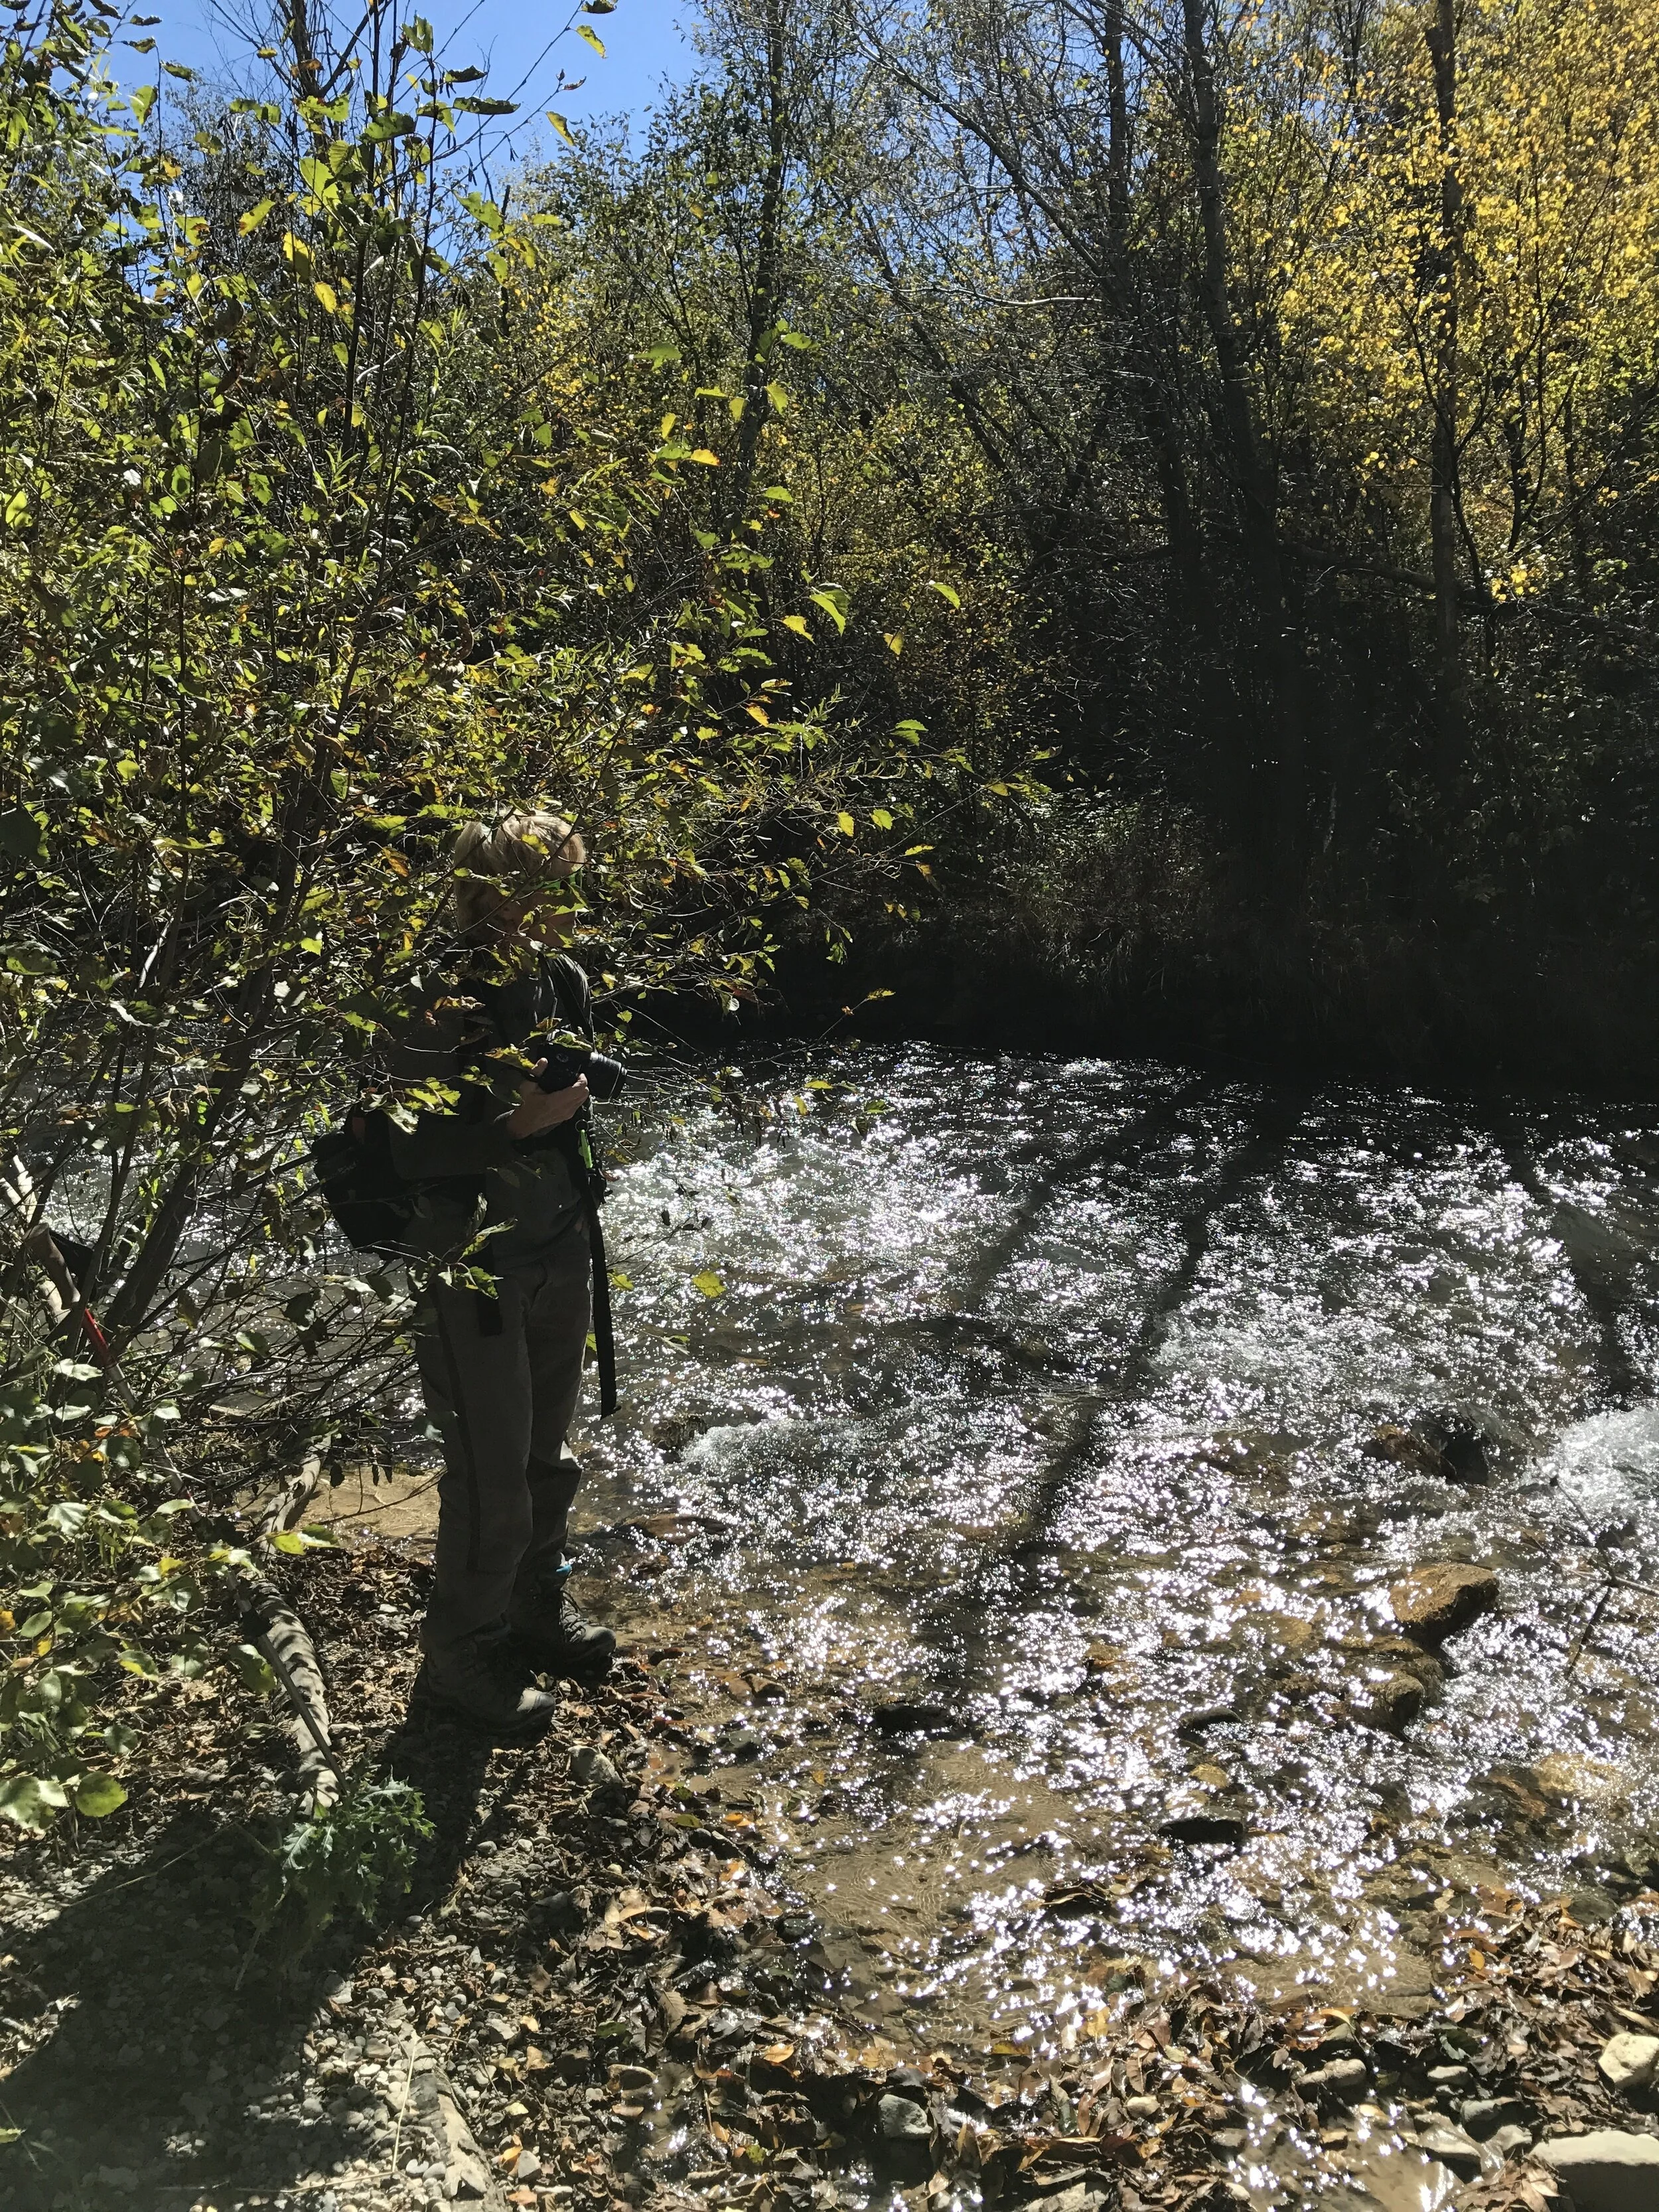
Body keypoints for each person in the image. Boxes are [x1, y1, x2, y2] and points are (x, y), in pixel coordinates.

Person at [386, 810, 616, 1735]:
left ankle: (534, 1606)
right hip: (470, 1261)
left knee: (544, 1456)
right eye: (550, 883)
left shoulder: (560, 979)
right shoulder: (435, 995)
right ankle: (460, 1659)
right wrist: (510, 1129)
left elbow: (572, 1102)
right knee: (489, 1476)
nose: (567, 901)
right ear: (499, 891)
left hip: (559, 1239)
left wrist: (568, 1112)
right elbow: (395, 1150)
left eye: (568, 878)